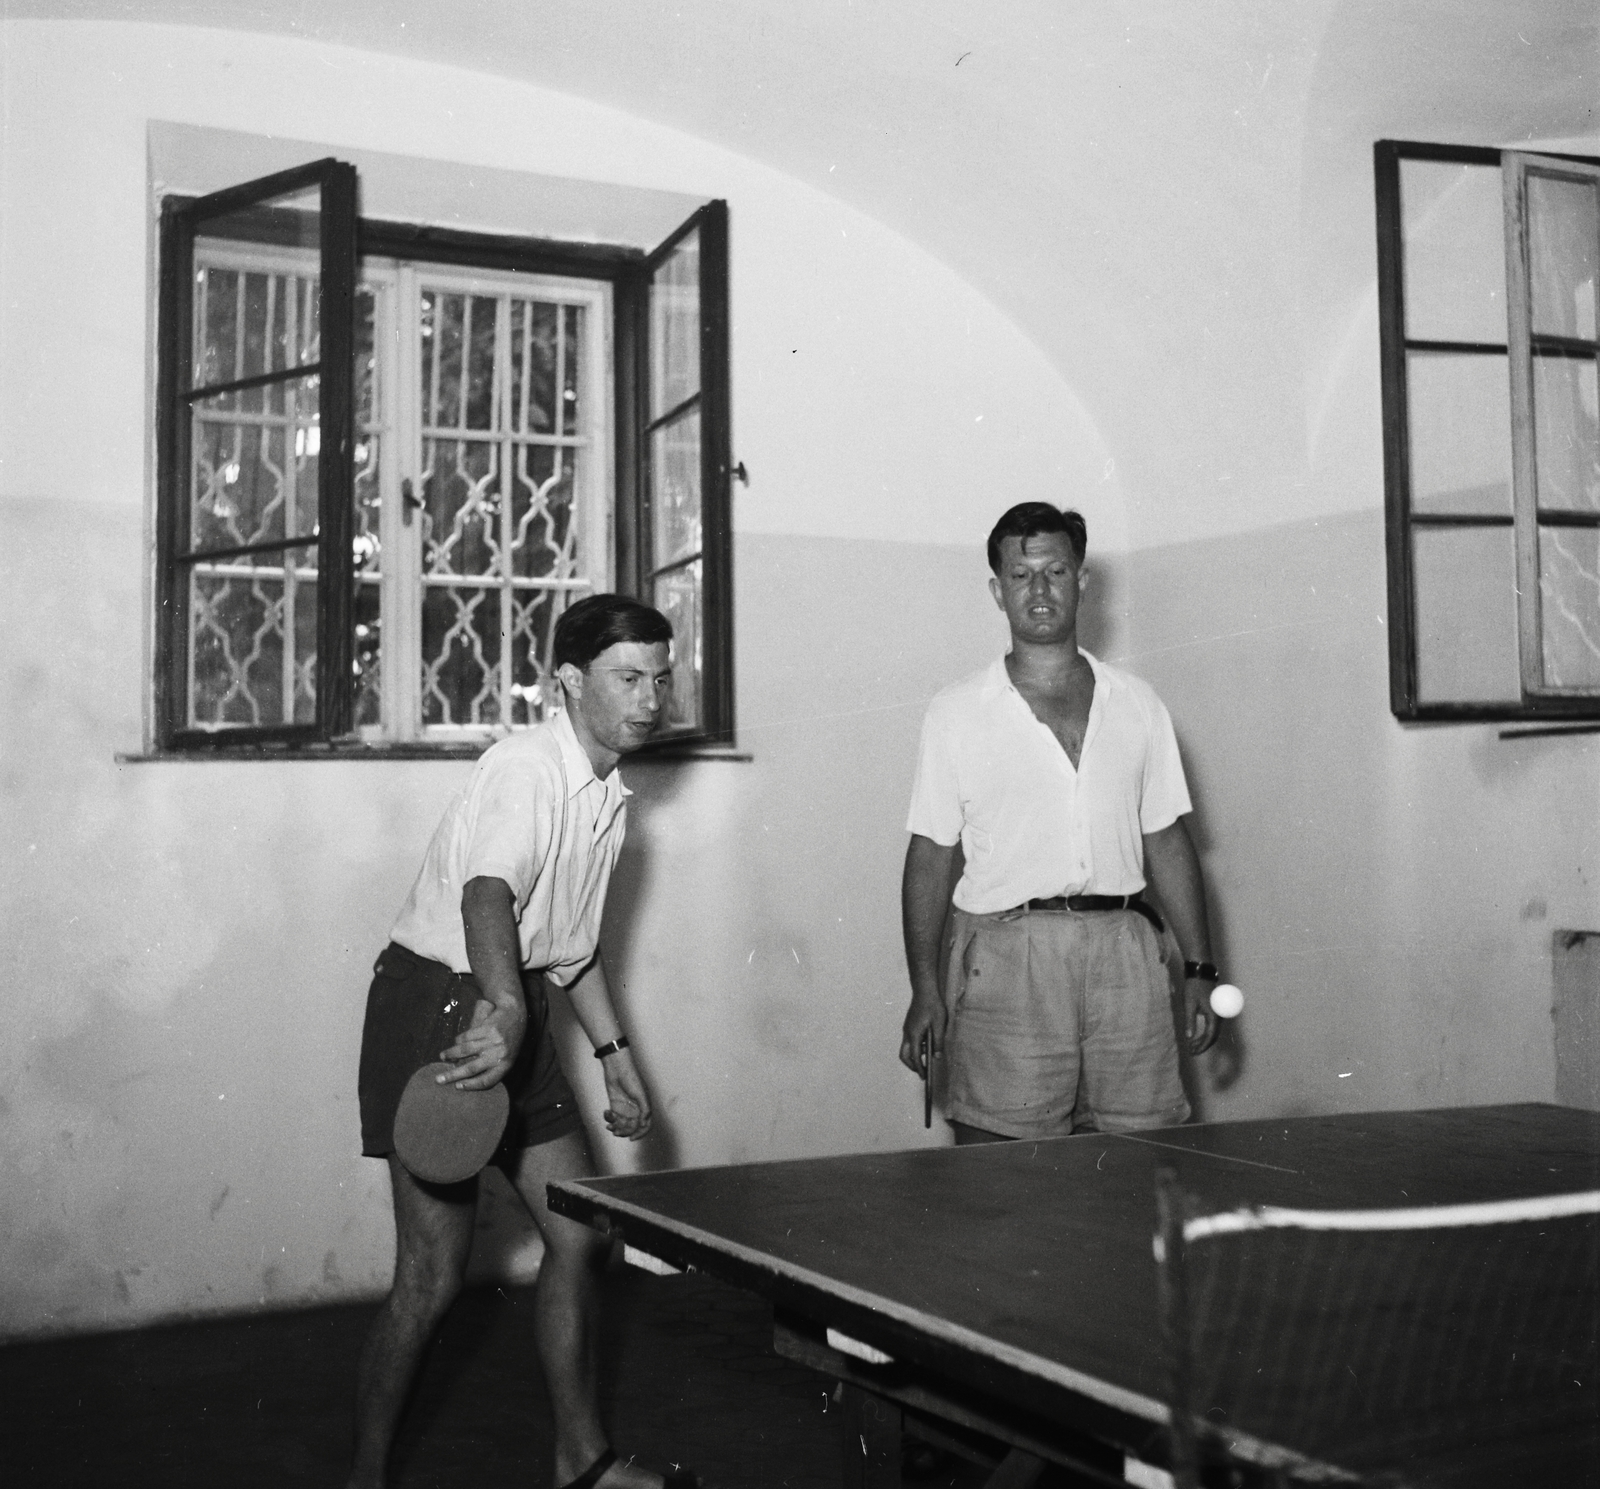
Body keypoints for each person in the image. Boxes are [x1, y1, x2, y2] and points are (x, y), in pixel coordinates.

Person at [348, 594, 695, 1489]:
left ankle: (581, 1462)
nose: (652, 696)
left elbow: (570, 950)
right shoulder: (526, 766)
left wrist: (617, 1060)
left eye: (661, 676)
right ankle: (365, 1478)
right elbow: (486, 896)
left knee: (579, 1235)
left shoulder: (609, 793)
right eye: (629, 677)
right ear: (571, 681)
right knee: (432, 1273)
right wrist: (503, 1008)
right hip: (438, 1002)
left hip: (514, 999)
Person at [898, 502, 1221, 1143]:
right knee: (1004, 1187)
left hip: (1126, 956)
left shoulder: (1138, 703)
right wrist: (925, 990)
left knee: (1140, 1165)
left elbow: (1167, 841)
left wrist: (1200, 972)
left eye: (1055, 571)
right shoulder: (956, 712)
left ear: (1081, 582)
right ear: (998, 591)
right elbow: (930, 857)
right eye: (1021, 576)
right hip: (1007, 958)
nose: (1039, 590)